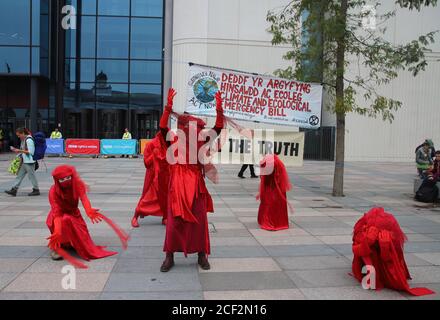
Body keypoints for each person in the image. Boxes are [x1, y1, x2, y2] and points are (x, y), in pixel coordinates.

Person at [159, 88, 224, 272]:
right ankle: (169, 256)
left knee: (200, 220)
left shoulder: (201, 140)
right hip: (177, 186)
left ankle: (202, 254)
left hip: (196, 185)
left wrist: (219, 108)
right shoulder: (172, 140)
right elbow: (163, 127)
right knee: (173, 223)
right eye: (185, 126)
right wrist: (168, 107)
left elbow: (218, 128)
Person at [47, 165, 129, 267]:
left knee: (74, 226)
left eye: (68, 178)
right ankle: (59, 247)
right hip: (58, 215)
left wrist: (89, 210)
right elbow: (57, 212)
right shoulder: (53, 191)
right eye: (62, 179)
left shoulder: (77, 184)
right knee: (63, 222)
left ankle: (70, 242)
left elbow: (84, 198)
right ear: (56, 181)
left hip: (73, 213)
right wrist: (58, 230)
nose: (66, 181)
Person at [352, 207, 434, 296]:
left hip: (383, 251)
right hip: (370, 252)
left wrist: (384, 246)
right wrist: (367, 242)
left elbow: (391, 259)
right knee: (369, 255)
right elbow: (357, 250)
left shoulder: (390, 233)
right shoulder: (362, 229)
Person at [131, 129, 170, 228]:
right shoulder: (150, 145)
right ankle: (135, 217)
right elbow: (146, 163)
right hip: (152, 176)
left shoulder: (168, 145)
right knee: (145, 198)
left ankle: (165, 217)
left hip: (164, 176)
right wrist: (154, 155)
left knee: (165, 197)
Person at [256, 155, 292, 231]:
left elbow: (263, 176)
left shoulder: (267, 161)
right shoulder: (279, 162)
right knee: (277, 204)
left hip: (270, 187)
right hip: (278, 188)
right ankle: (280, 222)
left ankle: (269, 221)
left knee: (269, 203)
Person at [4, 128, 40, 197]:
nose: (18, 136)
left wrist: (19, 151)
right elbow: (24, 150)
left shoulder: (29, 140)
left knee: (31, 176)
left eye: (19, 135)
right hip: (25, 161)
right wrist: (17, 150)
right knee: (19, 176)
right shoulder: (24, 140)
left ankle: (36, 189)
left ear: (23, 133)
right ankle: (14, 189)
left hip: (30, 162)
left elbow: (31, 152)